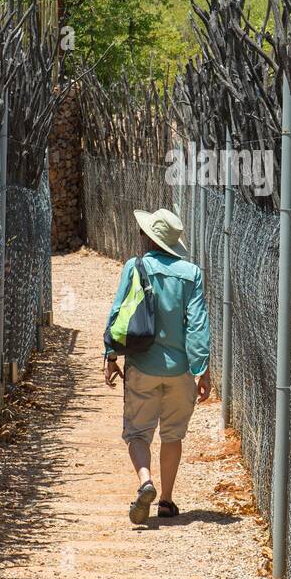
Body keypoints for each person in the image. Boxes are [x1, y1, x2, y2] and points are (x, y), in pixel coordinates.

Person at [103, 207, 211, 523]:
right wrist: (201, 368)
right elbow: (197, 325)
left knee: (137, 433)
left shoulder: (134, 268)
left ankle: (145, 482)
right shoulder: (192, 275)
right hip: (180, 371)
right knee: (172, 436)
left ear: (149, 238)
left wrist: (110, 356)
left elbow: (118, 314)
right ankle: (165, 501)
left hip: (141, 365)